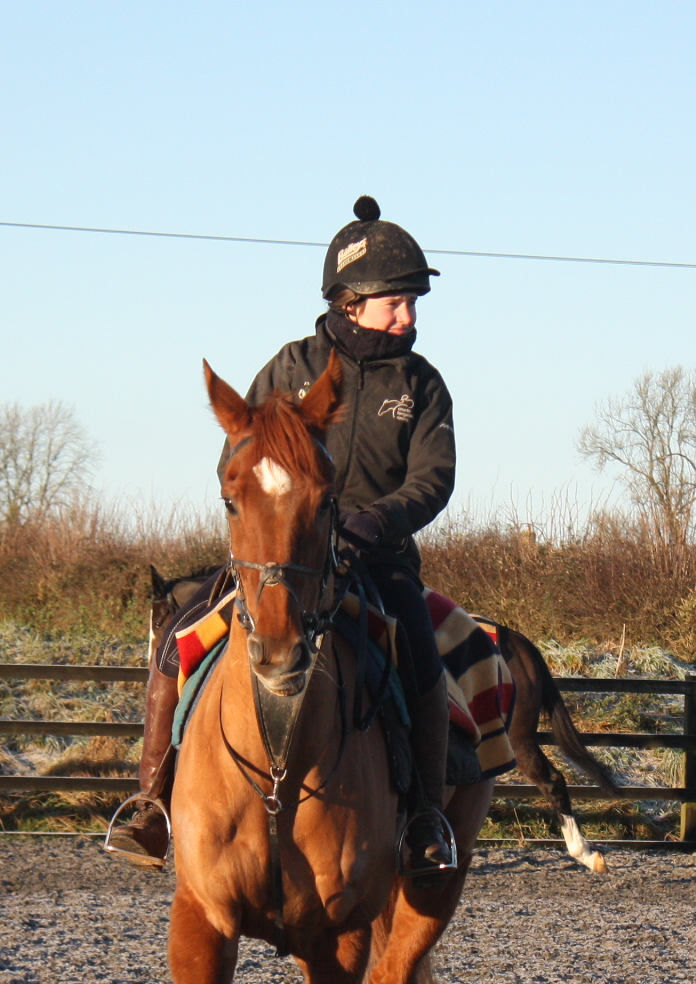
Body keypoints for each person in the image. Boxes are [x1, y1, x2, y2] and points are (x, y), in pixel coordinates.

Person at [107, 195, 459, 881]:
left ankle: (421, 819)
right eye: (396, 302)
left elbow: (434, 479)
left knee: (421, 657)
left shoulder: (421, 387)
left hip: (375, 559)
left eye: (413, 303)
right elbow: (235, 459)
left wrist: (373, 520)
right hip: (278, 558)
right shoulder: (289, 369)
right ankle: (151, 806)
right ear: (349, 301)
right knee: (180, 640)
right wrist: (272, 520)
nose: (409, 317)